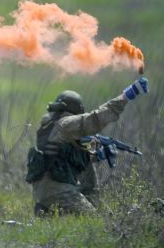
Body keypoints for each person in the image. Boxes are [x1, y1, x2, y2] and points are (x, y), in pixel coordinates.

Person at [26, 77, 148, 216]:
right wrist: (127, 95)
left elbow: (69, 156)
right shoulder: (67, 123)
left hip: (42, 194)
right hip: (60, 191)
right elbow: (96, 118)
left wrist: (96, 152)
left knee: (64, 224)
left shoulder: (49, 127)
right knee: (95, 221)